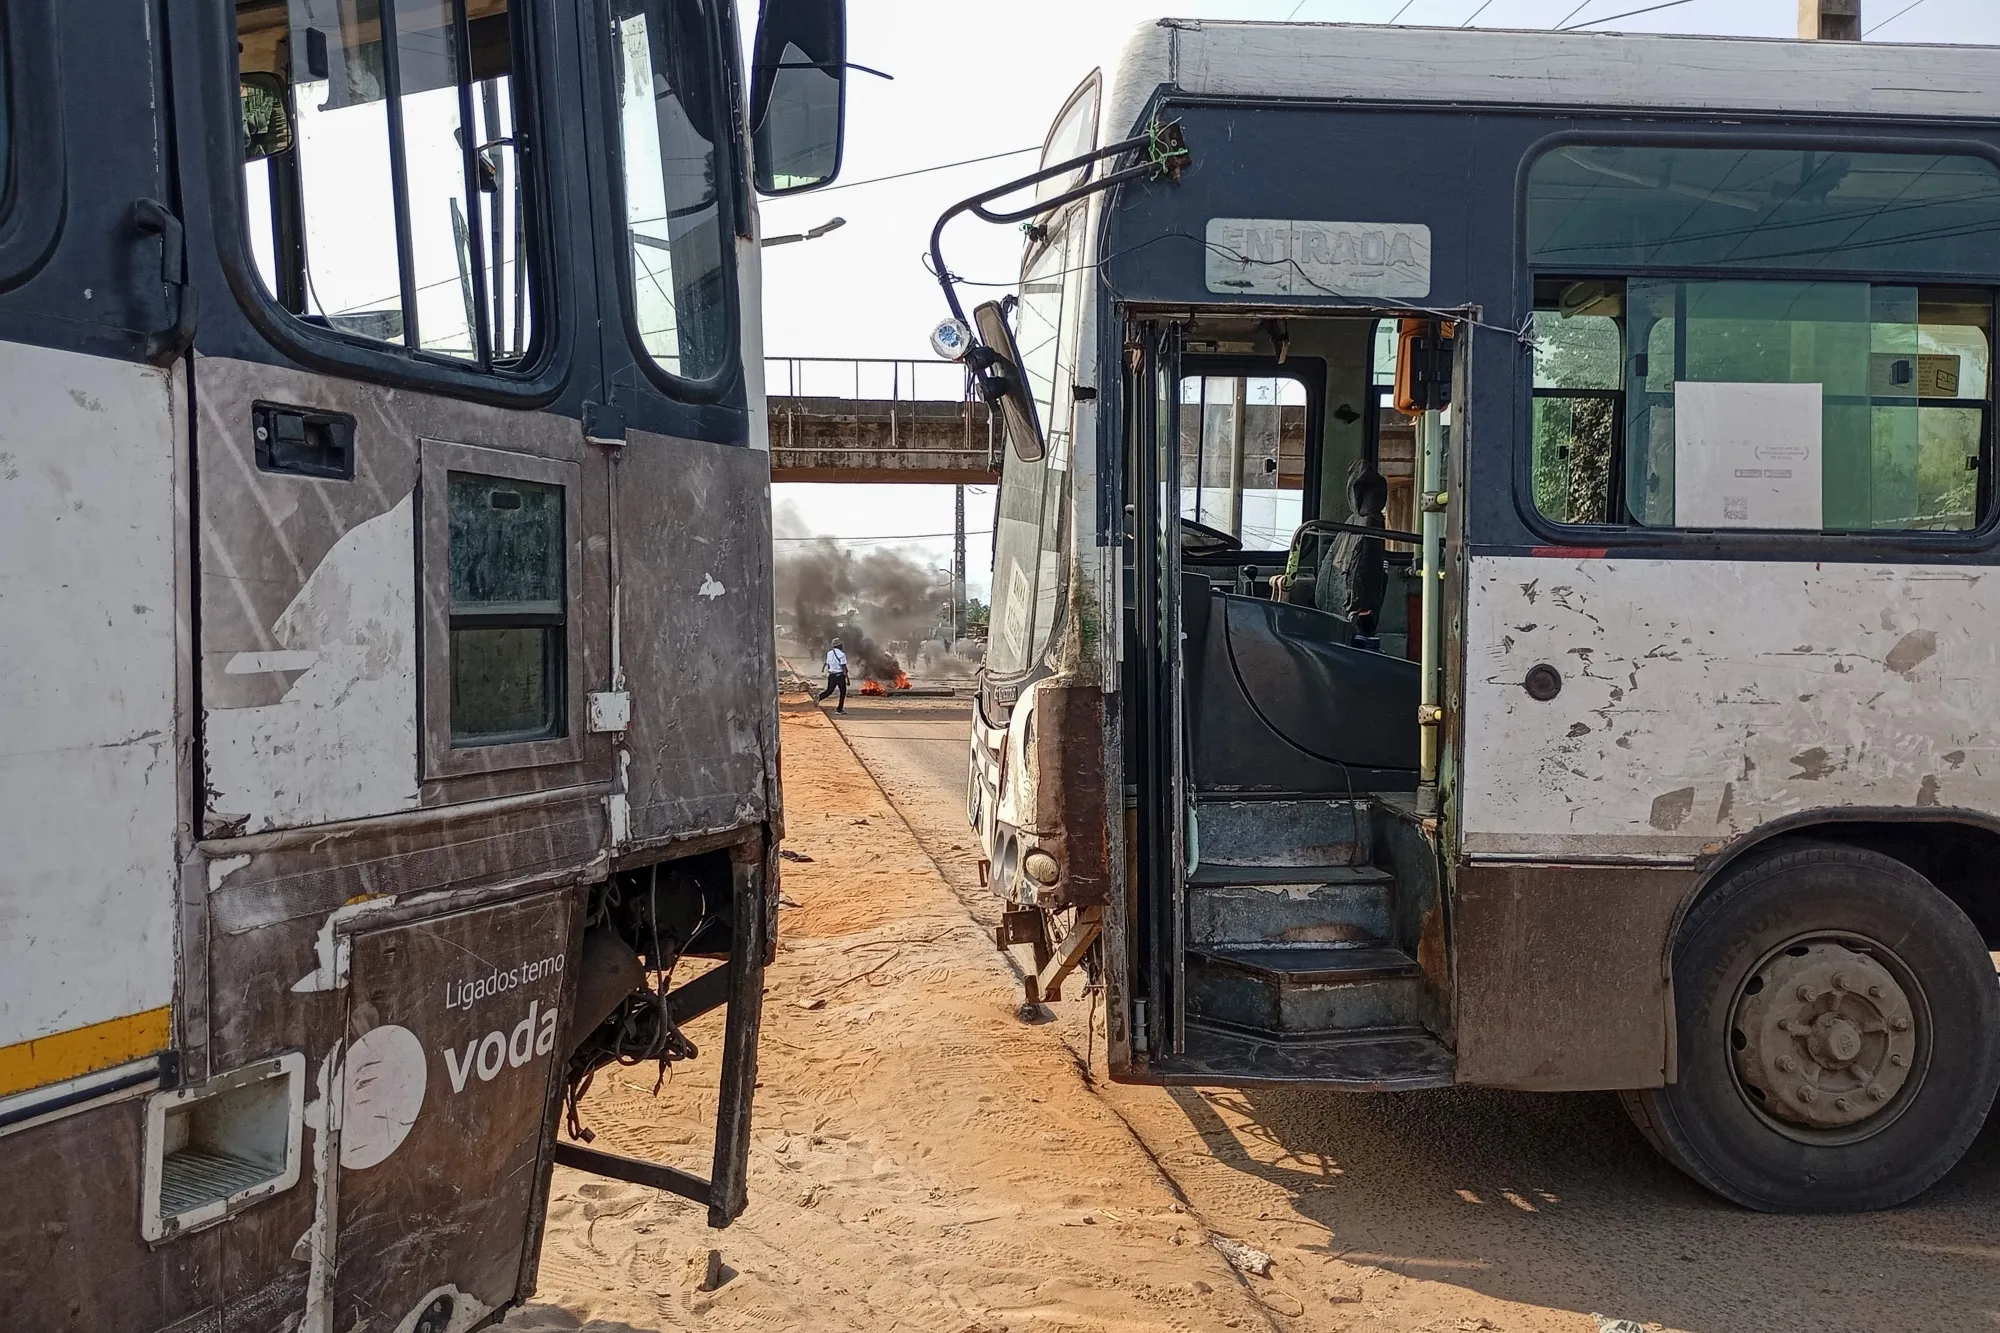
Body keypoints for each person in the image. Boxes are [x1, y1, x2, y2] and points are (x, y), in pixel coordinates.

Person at [819, 638, 849, 713]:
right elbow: (843, 667)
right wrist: (847, 678)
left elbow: (828, 664)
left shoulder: (829, 653)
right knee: (843, 692)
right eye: (841, 644)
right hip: (840, 676)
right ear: (839, 645)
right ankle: (839, 709)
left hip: (832, 675)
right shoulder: (842, 654)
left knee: (829, 691)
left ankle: (818, 698)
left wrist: (827, 670)